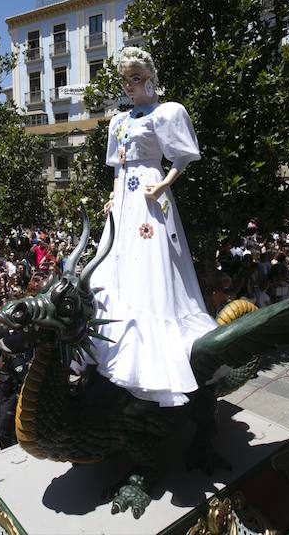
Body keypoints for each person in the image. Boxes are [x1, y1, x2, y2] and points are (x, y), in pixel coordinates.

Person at [90, 46, 220, 407]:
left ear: (149, 77)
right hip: (126, 200)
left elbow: (181, 155)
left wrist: (166, 183)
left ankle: (159, 354)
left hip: (150, 191)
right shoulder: (119, 121)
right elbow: (117, 167)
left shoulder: (166, 113)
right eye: (125, 79)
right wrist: (114, 198)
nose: (129, 85)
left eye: (135, 78)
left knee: (152, 262)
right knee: (116, 259)